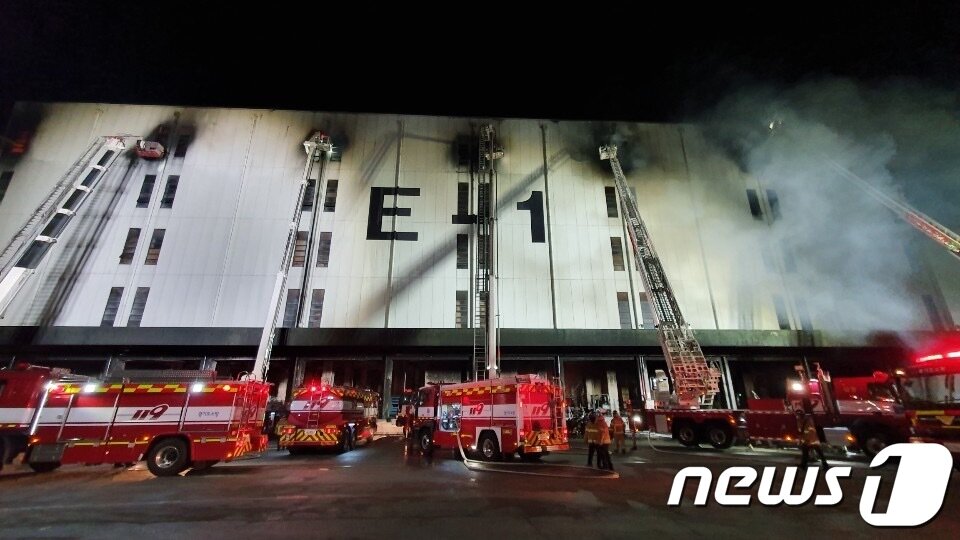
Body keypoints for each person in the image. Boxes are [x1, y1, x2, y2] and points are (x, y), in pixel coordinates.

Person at [796, 399, 828, 468]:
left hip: (808, 439)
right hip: (814, 438)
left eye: (798, 415)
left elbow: (803, 431)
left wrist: (803, 439)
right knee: (819, 452)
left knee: (805, 452)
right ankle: (825, 465)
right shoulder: (809, 418)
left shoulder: (803, 420)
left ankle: (803, 465)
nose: (797, 416)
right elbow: (809, 410)